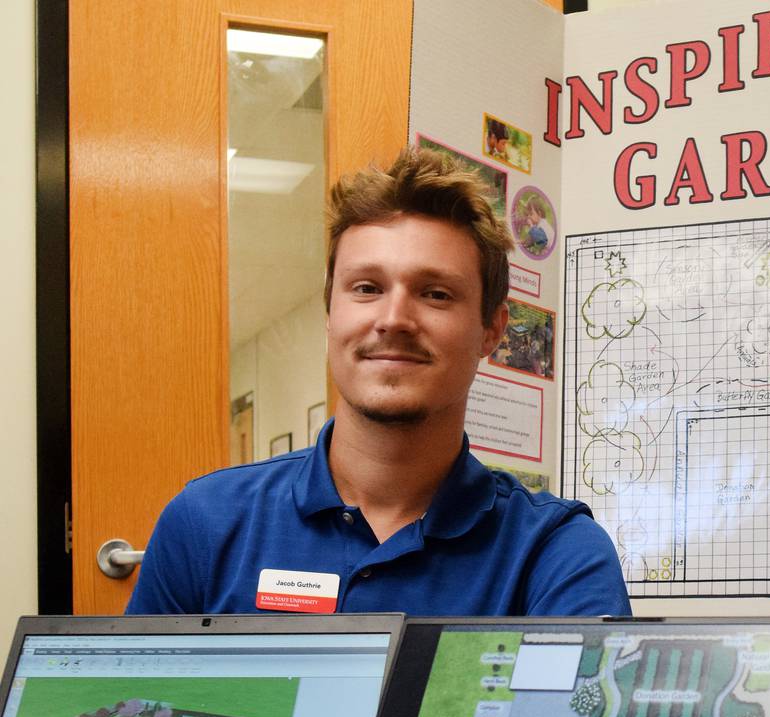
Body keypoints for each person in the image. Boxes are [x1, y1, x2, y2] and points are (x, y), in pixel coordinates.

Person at [127, 148, 630, 618]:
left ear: (491, 331)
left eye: (435, 294)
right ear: (331, 314)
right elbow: (134, 708)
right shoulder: (206, 522)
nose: (393, 319)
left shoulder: (556, 553)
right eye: (366, 288)